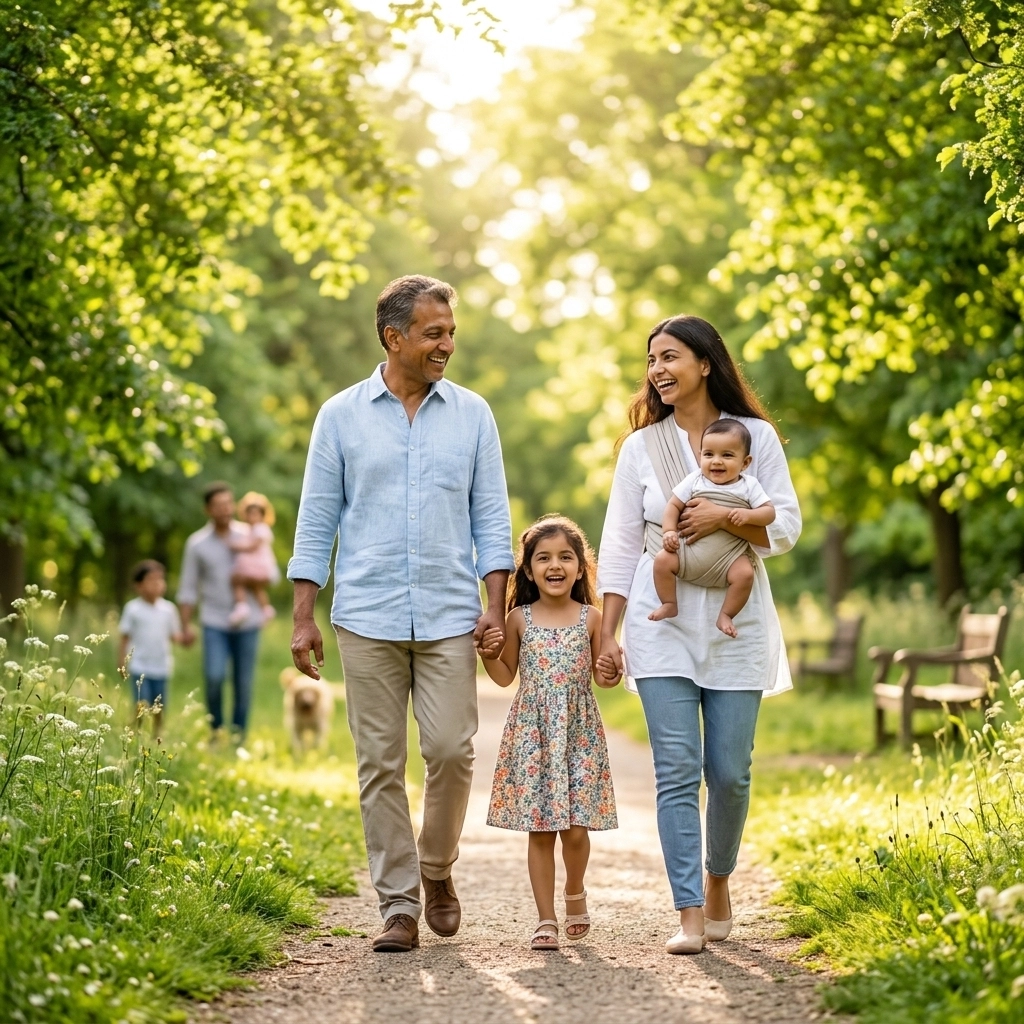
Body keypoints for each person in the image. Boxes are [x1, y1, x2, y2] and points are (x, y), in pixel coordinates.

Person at [288, 274, 515, 954]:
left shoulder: (474, 414)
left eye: (450, 332)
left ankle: (437, 869)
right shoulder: (341, 415)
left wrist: (496, 606)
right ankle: (398, 905)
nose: (448, 344)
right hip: (365, 612)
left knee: (450, 750)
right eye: (433, 333)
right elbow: (316, 518)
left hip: (450, 612)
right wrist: (304, 614)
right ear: (394, 337)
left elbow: (492, 517)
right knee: (379, 765)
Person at [594, 315, 801, 955]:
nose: (657, 370)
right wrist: (607, 633)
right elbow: (623, 542)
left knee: (730, 773)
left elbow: (787, 528)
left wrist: (730, 516)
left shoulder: (755, 438)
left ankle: (718, 878)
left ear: (705, 363)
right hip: (665, 621)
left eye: (670, 356)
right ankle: (688, 909)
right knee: (678, 770)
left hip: (736, 622)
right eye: (651, 360)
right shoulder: (640, 448)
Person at [480, 516, 617, 952]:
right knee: (540, 830)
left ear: (580, 568)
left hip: (578, 733)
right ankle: (545, 918)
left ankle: (574, 890)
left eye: (565, 557)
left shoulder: (592, 618)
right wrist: (486, 655)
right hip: (533, 735)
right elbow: (504, 677)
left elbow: (603, 679)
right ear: (528, 570)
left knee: (576, 830)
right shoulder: (518, 618)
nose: (554, 565)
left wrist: (612, 669)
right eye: (543, 558)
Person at [649, 418, 776, 636]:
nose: (716, 461)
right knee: (662, 559)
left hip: (728, 559)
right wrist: (669, 530)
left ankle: (726, 614)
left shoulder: (748, 486)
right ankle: (669, 602)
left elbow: (769, 513)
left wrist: (749, 515)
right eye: (709, 454)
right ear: (700, 457)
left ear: (745, 463)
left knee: (745, 574)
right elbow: (673, 505)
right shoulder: (695, 480)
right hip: (689, 551)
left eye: (727, 455)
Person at [178, 482, 277, 738]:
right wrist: (186, 625)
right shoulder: (197, 544)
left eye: (229, 504)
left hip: (248, 622)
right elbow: (187, 588)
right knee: (214, 677)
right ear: (207, 509)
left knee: (243, 683)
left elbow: (273, 576)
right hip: (214, 621)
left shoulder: (251, 535)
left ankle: (238, 736)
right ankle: (216, 731)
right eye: (219, 505)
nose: (225, 509)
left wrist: (247, 578)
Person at [117, 559, 182, 735]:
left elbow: (175, 636)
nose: (157, 584)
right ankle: (134, 733)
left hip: (161, 666)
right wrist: (122, 662)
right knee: (142, 702)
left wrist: (186, 638)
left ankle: (156, 735)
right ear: (139, 585)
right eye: (151, 580)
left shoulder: (169, 610)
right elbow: (125, 637)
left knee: (159, 705)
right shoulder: (133, 609)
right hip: (139, 665)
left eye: (160, 579)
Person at [228, 491, 278, 626]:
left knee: (237, 580)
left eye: (255, 514)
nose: (252, 517)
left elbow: (253, 546)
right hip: (256, 565)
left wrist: (236, 546)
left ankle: (241, 606)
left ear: (263, 516)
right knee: (257, 588)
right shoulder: (249, 529)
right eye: (249, 513)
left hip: (256, 565)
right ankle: (266, 609)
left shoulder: (261, 529)